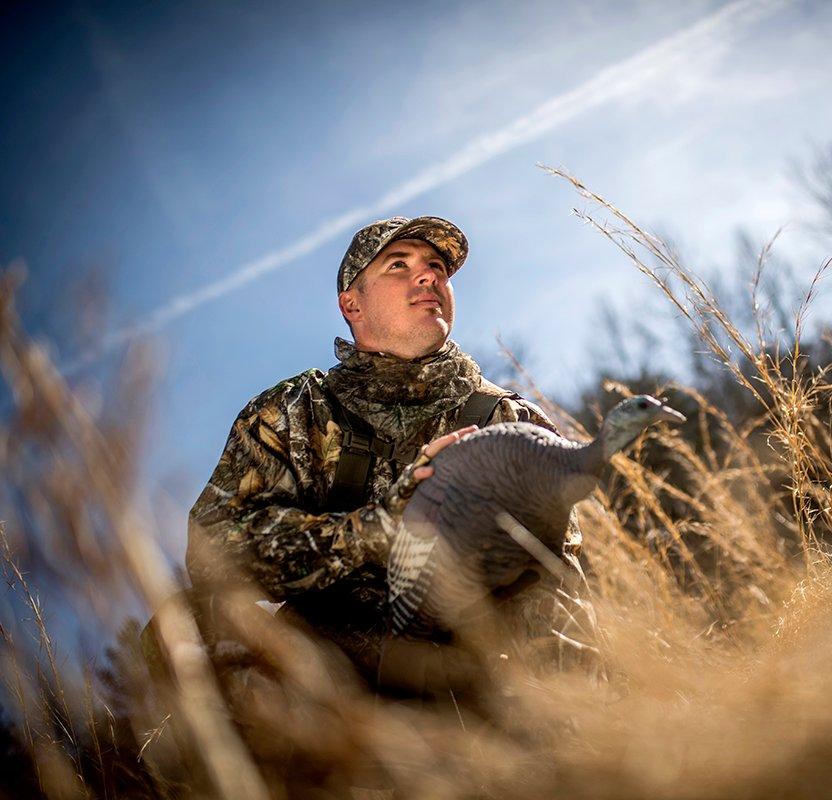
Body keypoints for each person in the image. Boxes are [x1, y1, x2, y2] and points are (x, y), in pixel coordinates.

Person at [184, 215, 581, 695]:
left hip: (471, 689)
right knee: (182, 632)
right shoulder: (295, 410)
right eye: (398, 265)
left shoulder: (509, 422)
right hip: (322, 692)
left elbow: (562, 584)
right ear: (351, 304)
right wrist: (377, 530)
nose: (429, 275)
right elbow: (214, 554)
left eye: (436, 265)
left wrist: (569, 718)